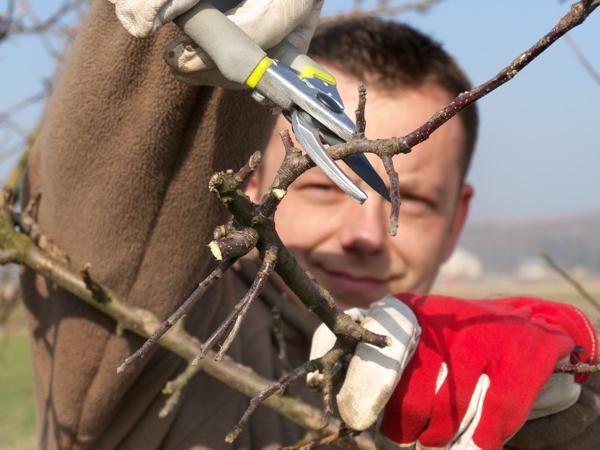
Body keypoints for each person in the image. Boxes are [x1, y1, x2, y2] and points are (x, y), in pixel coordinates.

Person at [19, 1, 599, 449]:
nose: (364, 234)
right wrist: (162, 45)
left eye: (409, 201)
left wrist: (575, 410)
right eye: (321, 186)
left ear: (458, 219)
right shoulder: (163, 346)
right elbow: (120, 199)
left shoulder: (468, 386)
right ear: (248, 183)